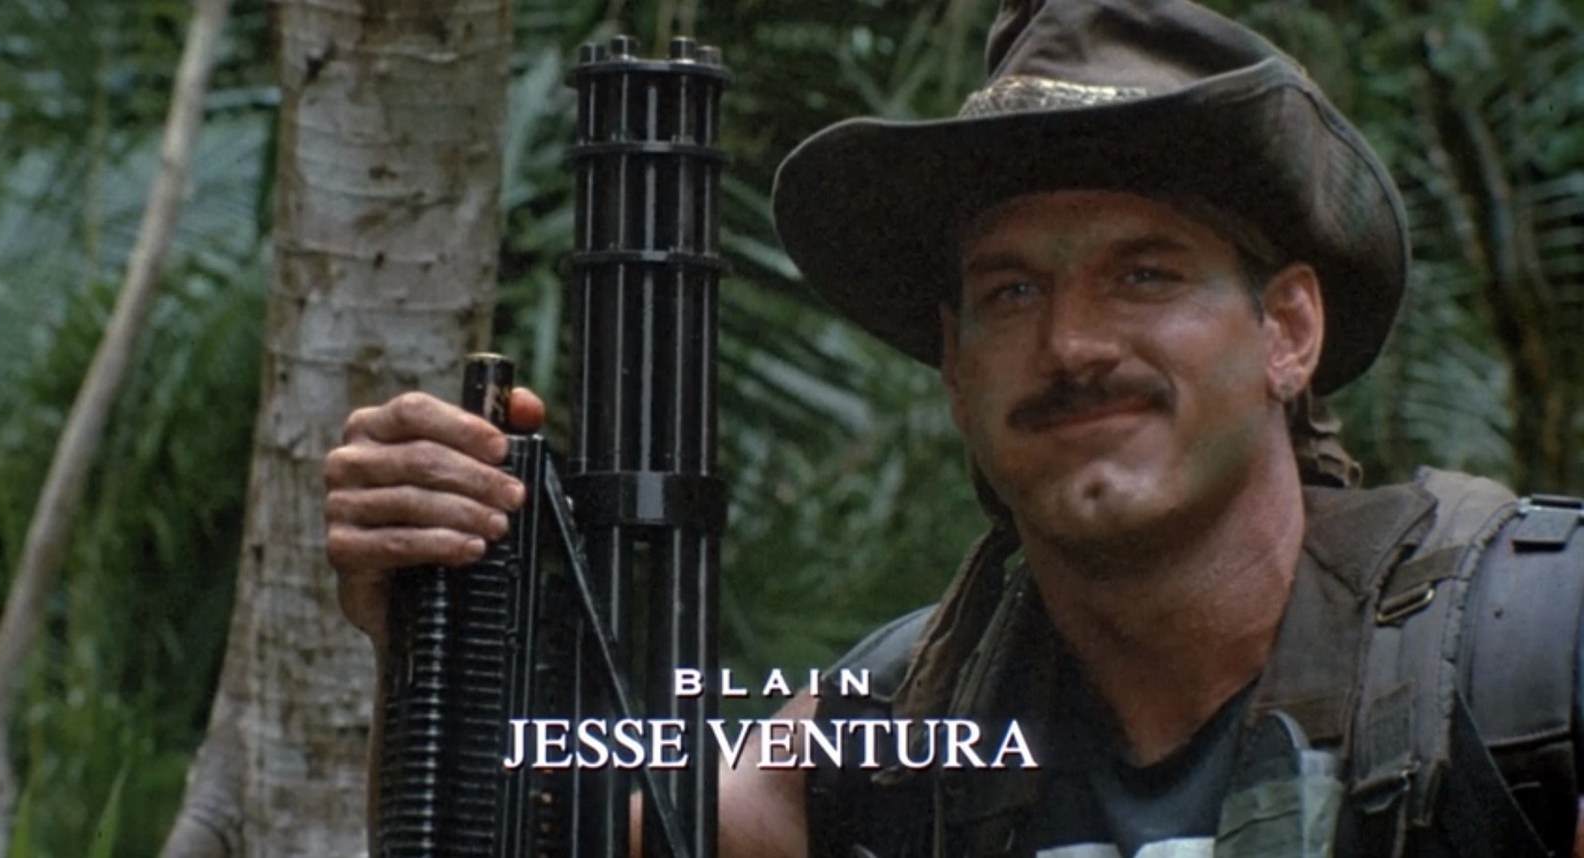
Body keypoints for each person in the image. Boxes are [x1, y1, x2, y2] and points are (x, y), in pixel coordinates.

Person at [325, 1, 1583, 856]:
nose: (1072, 344)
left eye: (1144, 274)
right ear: (953, 366)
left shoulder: (1527, 663)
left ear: (1286, 332)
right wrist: (441, 614)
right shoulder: (891, 735)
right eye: (1011, 292)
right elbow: (534, 835)